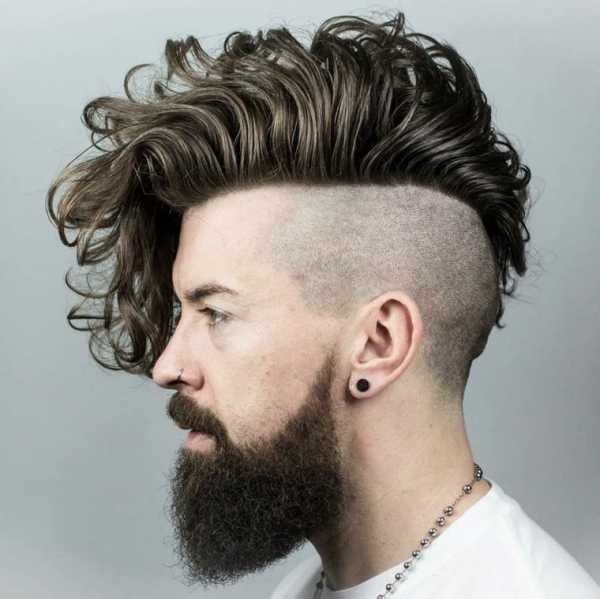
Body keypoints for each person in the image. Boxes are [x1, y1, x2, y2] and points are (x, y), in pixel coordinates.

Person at [45, 11, 600, 599]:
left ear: (378, 344)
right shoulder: (313, 585)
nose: (167, 366)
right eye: (186, 314)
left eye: (217, 314)